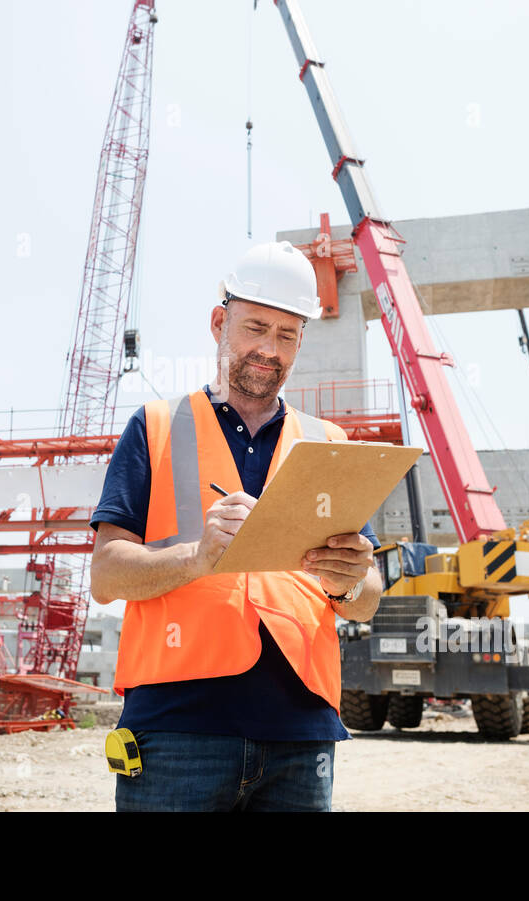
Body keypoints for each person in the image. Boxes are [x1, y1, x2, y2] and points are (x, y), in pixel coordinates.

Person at [90, 240, 384, 812]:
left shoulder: (328, 445)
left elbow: (365, 600)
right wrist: (197, 557)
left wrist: (351, 579)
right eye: (254, 328)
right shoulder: (155, 426)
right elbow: (105, 575)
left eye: (286, 335)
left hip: (302, 736)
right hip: (178, 731)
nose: (268, 350)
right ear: (220, 323)